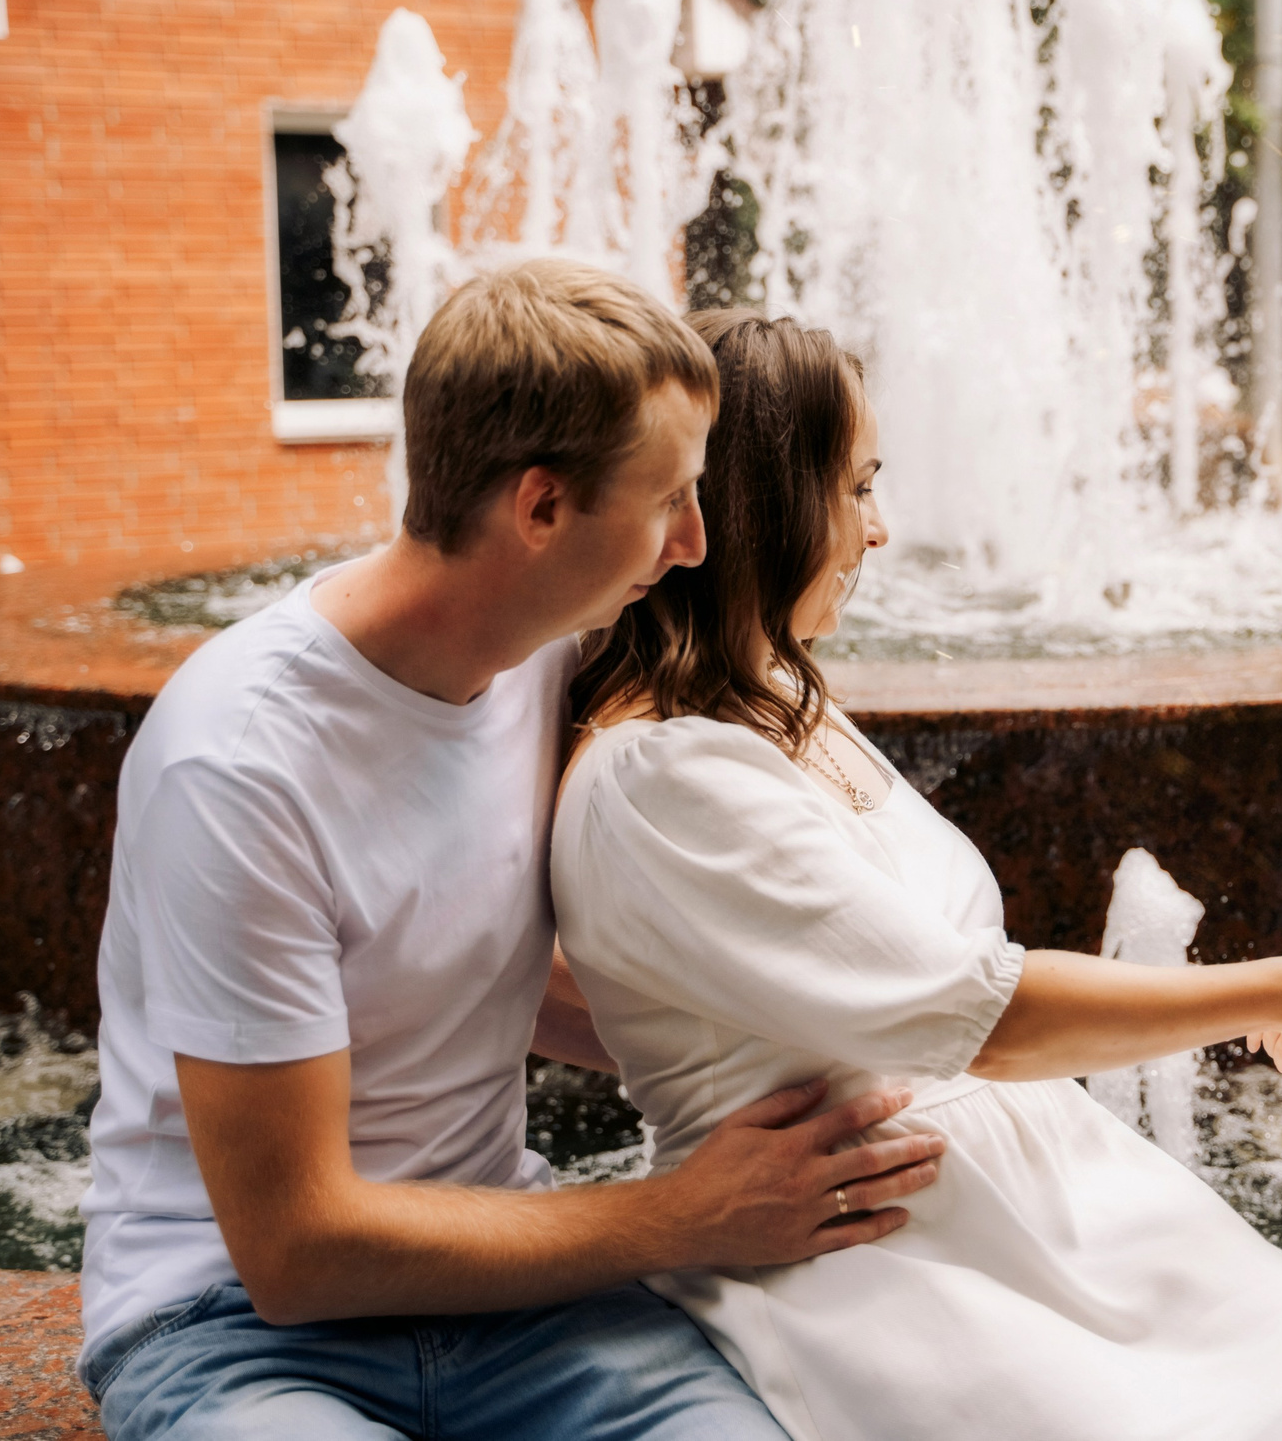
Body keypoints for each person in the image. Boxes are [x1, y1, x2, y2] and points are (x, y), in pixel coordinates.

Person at [549, 311, 1282, 1441]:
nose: (879, 530)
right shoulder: (663, 774)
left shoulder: (782, 698)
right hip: (878, 1255)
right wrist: (1275, 989)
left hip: (1048, 1210)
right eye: (856, 488)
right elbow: (978, 1014)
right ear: (767, 500)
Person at [78, 262, 948, 1440]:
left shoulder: (547, 658)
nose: (694, 543)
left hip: (520, 1300)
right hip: (235, 1330)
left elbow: (454, 960)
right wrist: (688, 1215)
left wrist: (804, 1064)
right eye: (667, 502)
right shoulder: (238, 765)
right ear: (539, 508)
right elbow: (296, 1251)